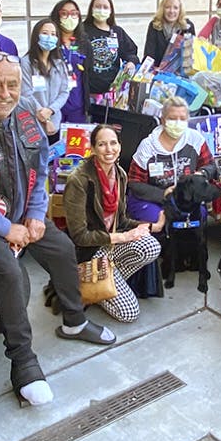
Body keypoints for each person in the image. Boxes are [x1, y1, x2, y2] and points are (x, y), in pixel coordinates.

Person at [0, 53, 115, 406]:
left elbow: (41, 167)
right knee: (10, 273)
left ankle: (73, 321)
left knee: (61, 249)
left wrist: (37, 214)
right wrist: (5, 228)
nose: (4, 93)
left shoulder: (27, 114)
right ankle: (24, 364)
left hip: (21, 215)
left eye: (12, 85)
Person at [63, 124, 161, 322]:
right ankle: (91, 287)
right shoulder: (79, 180)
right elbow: (79, 236)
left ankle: (101, 285)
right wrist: (122, 237)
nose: (109, 149)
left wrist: (146, 226)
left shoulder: (119, 174)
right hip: (89, 251)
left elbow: (121, 219)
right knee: (129, 313)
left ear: (120, 146)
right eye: (102, 144)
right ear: (92, 148)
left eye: (113, 143)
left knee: (151, 245)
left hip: (110, 248)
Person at [127, 96, 217, 232]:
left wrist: (202, 174)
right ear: (163, 120)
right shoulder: (148, 146)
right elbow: (134, 183)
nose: (178, 123)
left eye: (182, 118)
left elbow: (211, 165)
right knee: (158, 220)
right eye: (172, 118)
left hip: (185, 199)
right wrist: (163, 194)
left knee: (198, 217)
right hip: (152, 199)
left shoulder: (195, 139)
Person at [81, 0, 139, 100]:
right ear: (91, 9)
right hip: (88, 93)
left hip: (112, 93)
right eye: (98, 6)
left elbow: (131, 52)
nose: (101, 10)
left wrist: (131, 62)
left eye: (105, 7)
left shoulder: (117, 32)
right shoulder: (82, 30)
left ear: (111, 10)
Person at [20, 19, 71, 140]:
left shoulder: (59, 64)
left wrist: (51, 110)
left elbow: (64, 91)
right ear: (36, 36)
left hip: (55, 124)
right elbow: (26, 93)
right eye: (45, 33)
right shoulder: (26, 62)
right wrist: (44, 117)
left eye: (53, 34)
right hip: (33, 125)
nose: (49, 37)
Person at [50, 0, 89, 125]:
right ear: (57, 16)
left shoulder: (84, 43)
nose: (69, 17)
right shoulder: (50, 41)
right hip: (54, 105)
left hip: (78, 104)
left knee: (76, 144)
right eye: (64, 14)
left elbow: (89, 72)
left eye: (74, 13)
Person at [143, 0, 196, 65]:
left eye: (175, 8)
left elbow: (192, 54)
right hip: (158, 71)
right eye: (168, 7)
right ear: (162, 9)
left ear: (180, 10)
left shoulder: (188, 26)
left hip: (181, 71)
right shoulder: (154, 25)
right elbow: (149, 54)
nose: (171, 11)